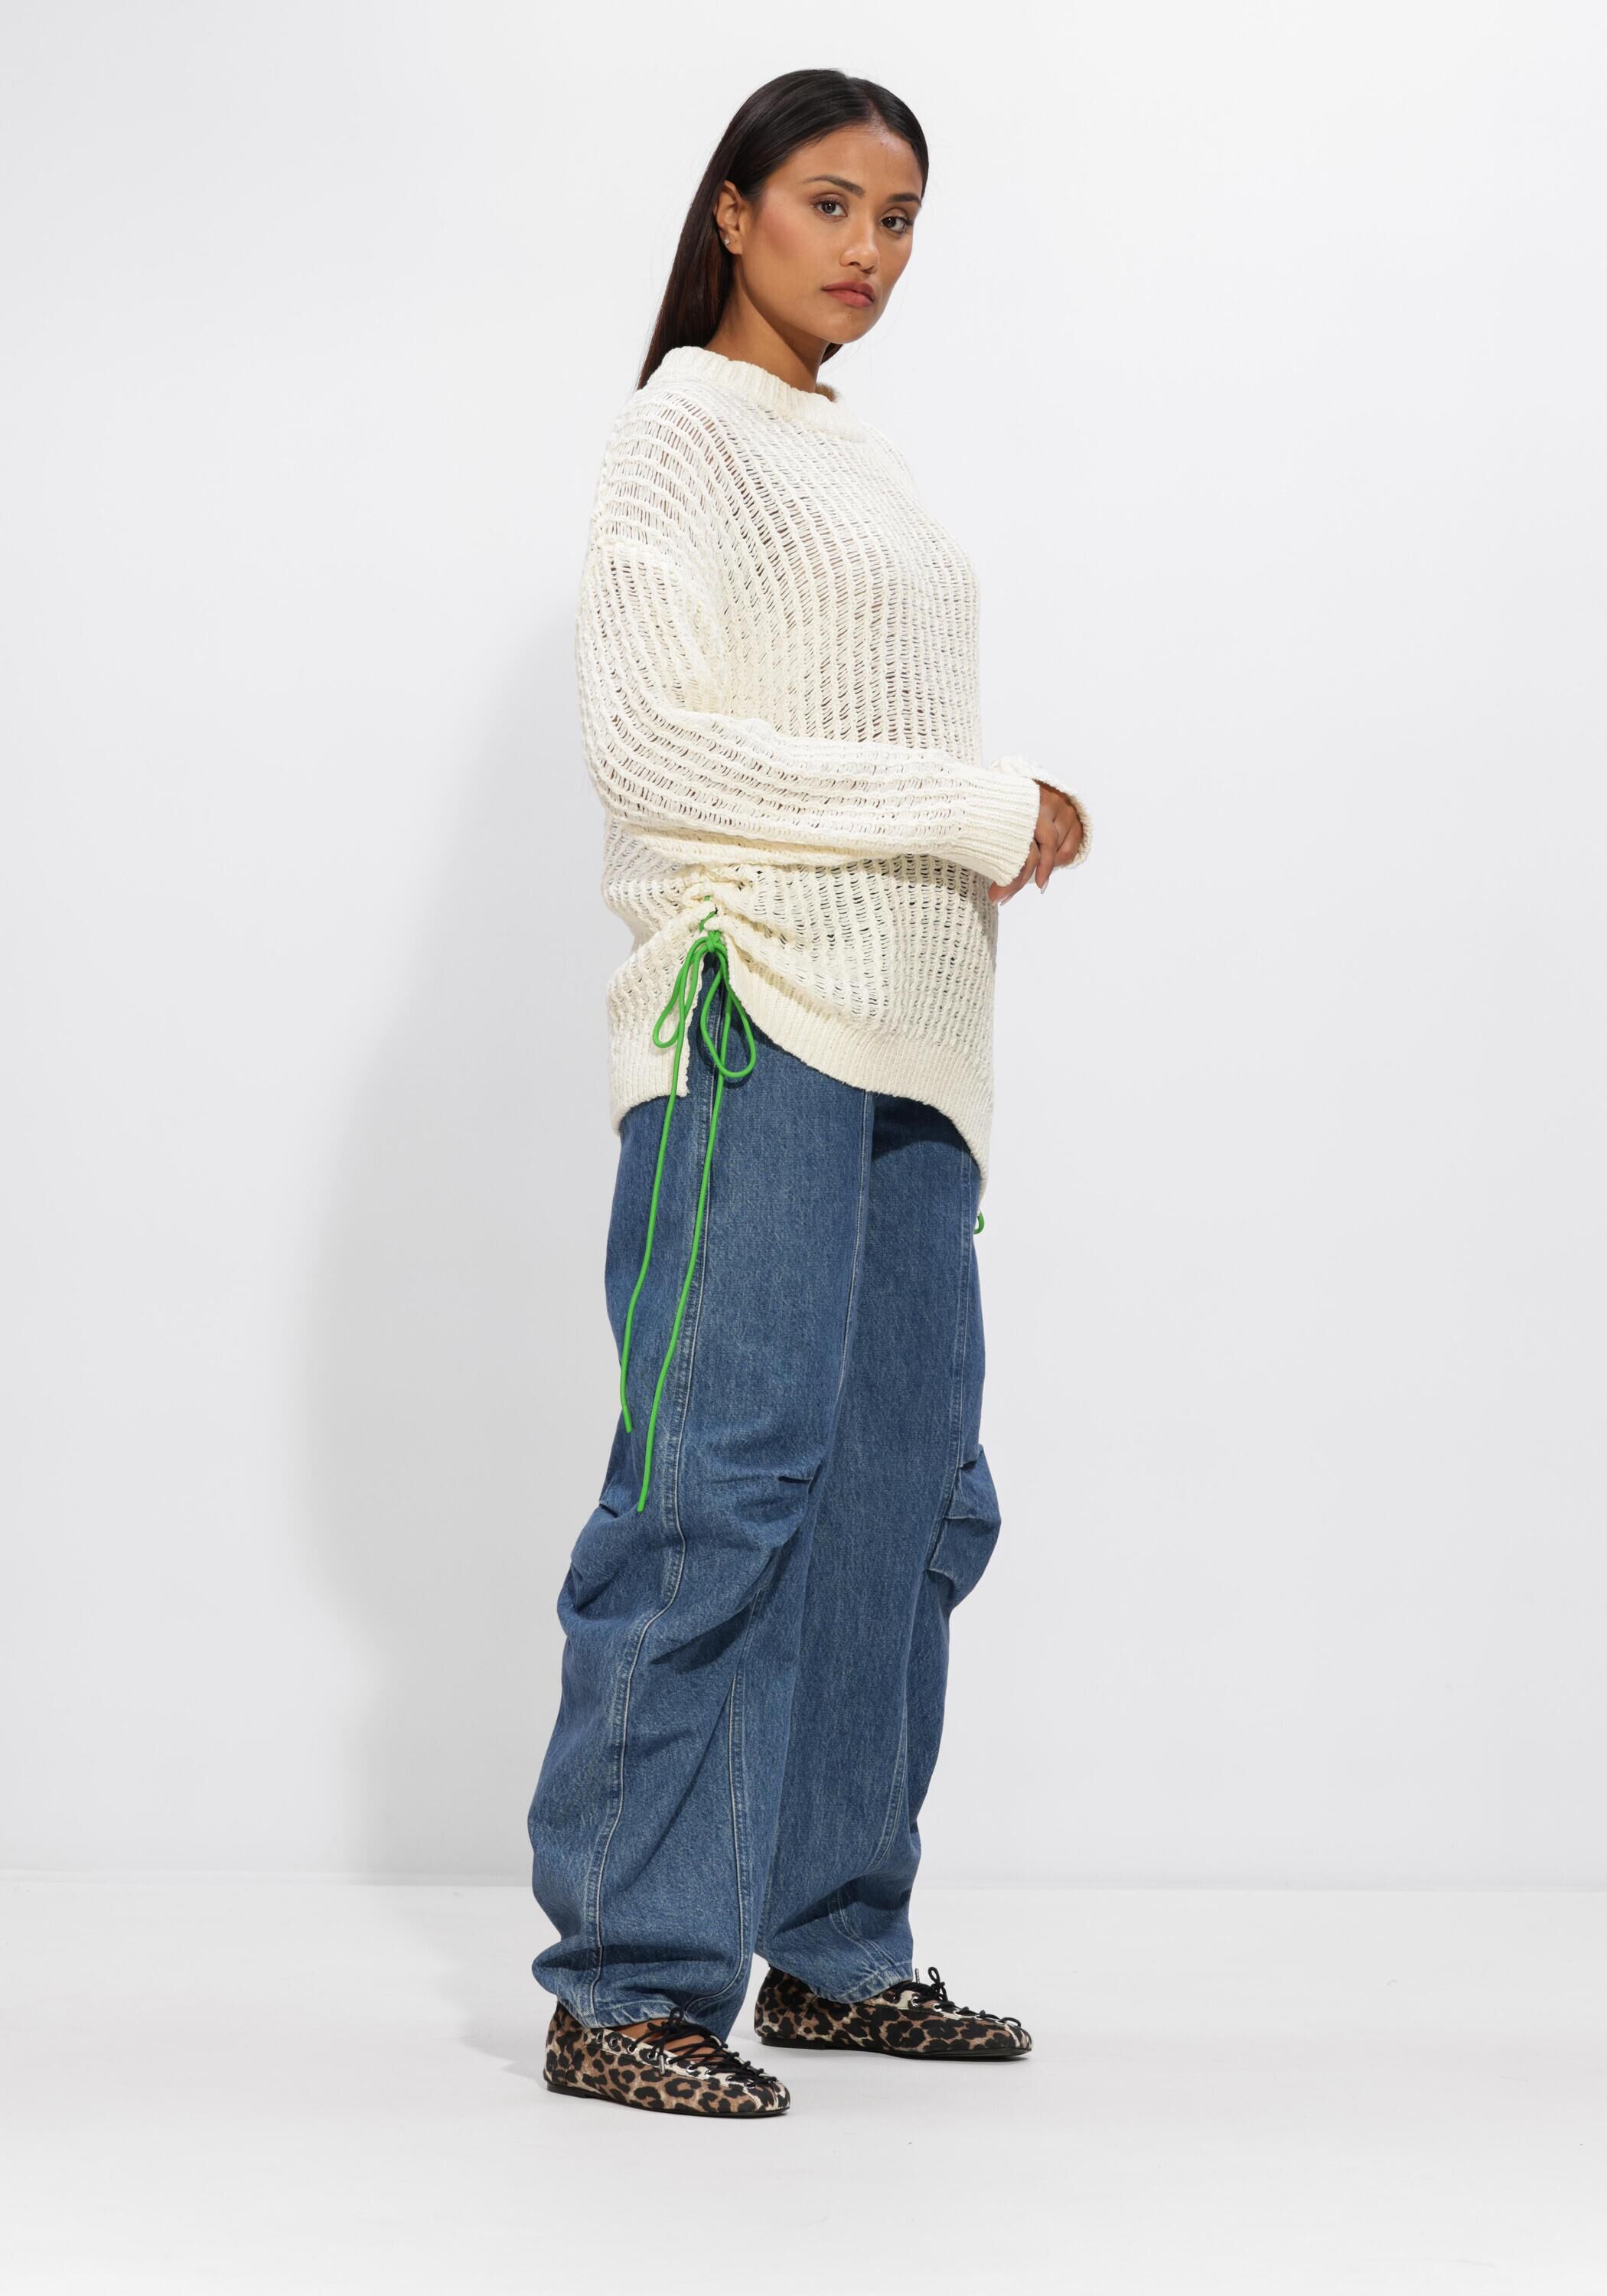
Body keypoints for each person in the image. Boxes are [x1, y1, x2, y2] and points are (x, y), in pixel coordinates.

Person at [526, 67, 1090, 2120]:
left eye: (901, 216)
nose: (868, 249)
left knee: (902, 1505)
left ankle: (837, 1951)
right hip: (751, 1010)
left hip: (916, 1048)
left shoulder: (860, 455)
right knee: (718, 1489)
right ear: (735, 211)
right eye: (831, 203)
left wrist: (962, 846)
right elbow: (656, 753)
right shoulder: (678, 433)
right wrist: (974, 806)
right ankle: (626, 1982)